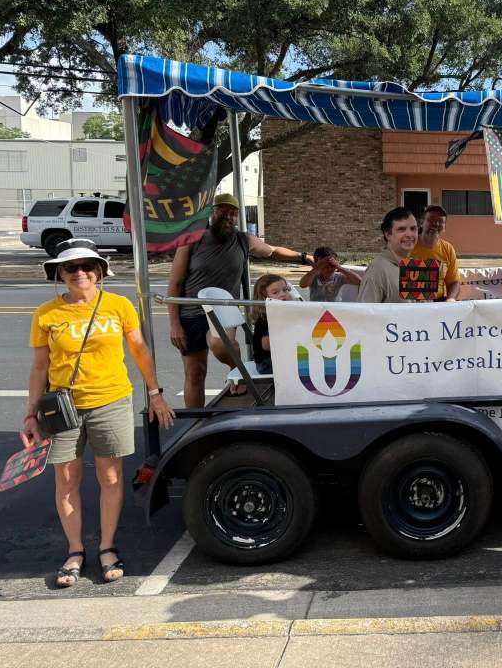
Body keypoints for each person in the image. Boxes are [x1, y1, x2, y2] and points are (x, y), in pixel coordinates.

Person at [20, 239, 175, 588]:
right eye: (71, 268)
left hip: (111, 400)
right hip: (63, 408)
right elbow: (39, 367)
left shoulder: (118, 306)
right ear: (60, 274)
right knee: (67, 481)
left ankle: (107, 547)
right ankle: (75, 551)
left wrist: (155, 394)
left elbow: (139, 349)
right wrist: (31, 414)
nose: (81, 273)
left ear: (100, 271)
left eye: (88, 266)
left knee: (111, 477)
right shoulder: (46, 314)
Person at [167, 193, 312, 407]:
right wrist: (175, 324)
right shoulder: (192, 240)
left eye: (233, 213)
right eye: (223, 211)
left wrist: (303, 257)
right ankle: (193, 421)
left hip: (223, 312)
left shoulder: (243, 240)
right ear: (212, 213)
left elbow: (272, 251)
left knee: (219, 342)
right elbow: (175, 284)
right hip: (191, 314)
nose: (228, 216)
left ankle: (237, 370)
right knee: (195, 373)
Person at [357, 207, 418, 303]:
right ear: (388, 234)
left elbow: (426, 310)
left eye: (413, 228)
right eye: (401, 229)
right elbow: (365, 314)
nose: (409, 234)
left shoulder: (417, 266)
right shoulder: (377, 270)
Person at [410, 205, 462, 302]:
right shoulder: (408, 245)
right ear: (422, 223)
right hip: (409, 303)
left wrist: (450, 299)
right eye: (431, 220)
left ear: (444, 227)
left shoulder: (448, 249)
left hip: (437, 303)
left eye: (440, 221)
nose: (435, 224)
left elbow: (454, 282)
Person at [251, 274, 294, 374]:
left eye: (285, 290)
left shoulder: (284, 313)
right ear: (264, 297)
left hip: (278, 360)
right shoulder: (265, 318)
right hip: (267, 363)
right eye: (275, 292)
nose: (283, 294)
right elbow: (266, 345)